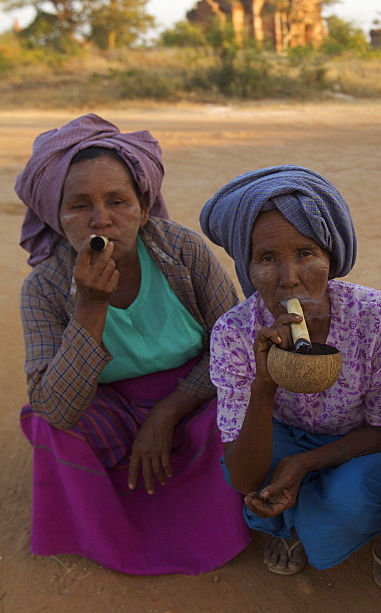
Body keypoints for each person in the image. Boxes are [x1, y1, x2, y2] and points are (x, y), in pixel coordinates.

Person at [16, 113, 250, 575]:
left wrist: (167, 412)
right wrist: (89, 306)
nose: (100, 219)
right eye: (79, 205)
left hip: (194, 394)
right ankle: (110, 529)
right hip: (111, 404)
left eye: (118, 201)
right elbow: (57, 407)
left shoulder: (182, 252)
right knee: (52, 428)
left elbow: (234, 347)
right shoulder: (43, 288)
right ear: (56, 217)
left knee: (239, 415)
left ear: (143, 210)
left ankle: (205, 519)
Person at [200, 165, 381, 587]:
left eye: (305, 254)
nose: (289, 278)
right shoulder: (234, 331)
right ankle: (291, 519)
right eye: (266, 259)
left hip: (363, 441)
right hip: (285, 433)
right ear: (247, 269)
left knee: (357, 499)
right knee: (250, 473)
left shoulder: (373, 315)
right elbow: (242, 477)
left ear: (330, 257)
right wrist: (265, 383)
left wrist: (303, 463)